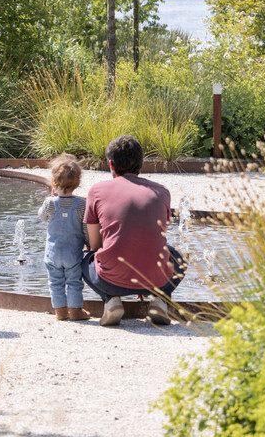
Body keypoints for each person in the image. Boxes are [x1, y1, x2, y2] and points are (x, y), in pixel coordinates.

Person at [82, 135, 186, 327]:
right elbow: (156, 236)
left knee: (86, 258)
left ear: (111, 165)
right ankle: (160, 299)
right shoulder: (162, 191)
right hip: (156, 278)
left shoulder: (97, 191)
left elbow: (95, 245)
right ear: (142, 163)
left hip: (110, 279)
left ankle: (111, 300)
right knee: (178, 257)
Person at [37, 154, 91, 321]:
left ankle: (60, 311)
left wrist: (52, 196)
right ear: (77, 184)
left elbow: (42, 217)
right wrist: (89, 244)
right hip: (73, 253)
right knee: (74, 282)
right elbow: (85, 228)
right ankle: (75, 311)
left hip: (52, 253)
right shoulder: (81, 204)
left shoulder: (50, 203)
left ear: (54, 184)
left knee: (55, 282)